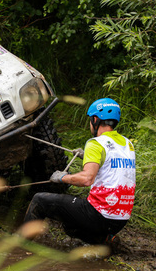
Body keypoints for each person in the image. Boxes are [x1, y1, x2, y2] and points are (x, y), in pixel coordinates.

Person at [24, 98, 136, 245]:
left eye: (91, 119)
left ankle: (20, 245)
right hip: (120, 219)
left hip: (100, 215)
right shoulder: (128, 144)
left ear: (95, 120)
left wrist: (62, 177)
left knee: (39, 199)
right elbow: (113, 165)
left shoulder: (96, 143)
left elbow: (87, 179)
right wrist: (87, 156)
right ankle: (105, 240)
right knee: (70, 225)